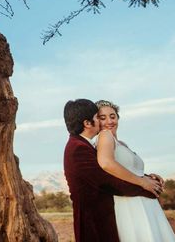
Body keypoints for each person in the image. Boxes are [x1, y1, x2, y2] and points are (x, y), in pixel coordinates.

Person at [63, 99, 159, 242]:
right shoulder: (78, 148)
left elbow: (108, 174)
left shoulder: (82, 145)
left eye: (112, 116)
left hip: (103, 215)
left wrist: (146, 178)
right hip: (93, 220)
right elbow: (106, 181)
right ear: (87, 123)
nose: (105, 122)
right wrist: (144, 187)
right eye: (98, 117)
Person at [95, 100, 175, 242]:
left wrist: (147, 176)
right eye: (103, 118)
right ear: (96, 121)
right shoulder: (104, 135)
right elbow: (106, 163)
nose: (109, 121)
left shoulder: (122, 144)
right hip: (130, 204)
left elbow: (126, 168)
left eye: (113, 116)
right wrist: (143, 182)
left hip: (145, 203)